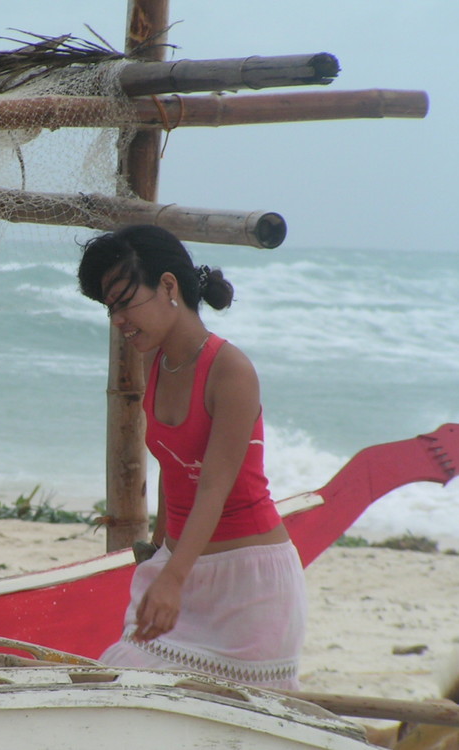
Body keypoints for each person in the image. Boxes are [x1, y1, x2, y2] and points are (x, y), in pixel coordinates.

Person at [77, 225, 306, 690]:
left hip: (249, 589)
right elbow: (173, 463)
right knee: (117, 692)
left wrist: (172, 577)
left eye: (124, 301)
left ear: (167, 286)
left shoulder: (231, 370)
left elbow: (214, 487)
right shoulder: (154, 361)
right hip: (179, 566)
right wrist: (158, 551)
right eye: (110, 307)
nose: (117, 319)